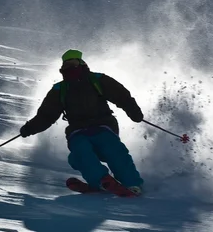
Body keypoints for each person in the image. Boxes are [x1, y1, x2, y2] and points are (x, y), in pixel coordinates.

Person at [20, 49, 144, 194]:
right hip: (77, 130)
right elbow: (47, 115)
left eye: (73, 63)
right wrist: (30, 128)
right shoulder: (60, 89)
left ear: (81, 63)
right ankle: (100, 180)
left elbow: (121, 95)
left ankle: (132, 183)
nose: (70, 67)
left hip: (103, 125)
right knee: (80, 152)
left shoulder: (97, 80)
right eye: (66, 65)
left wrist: (133, 111)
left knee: (112, 149)